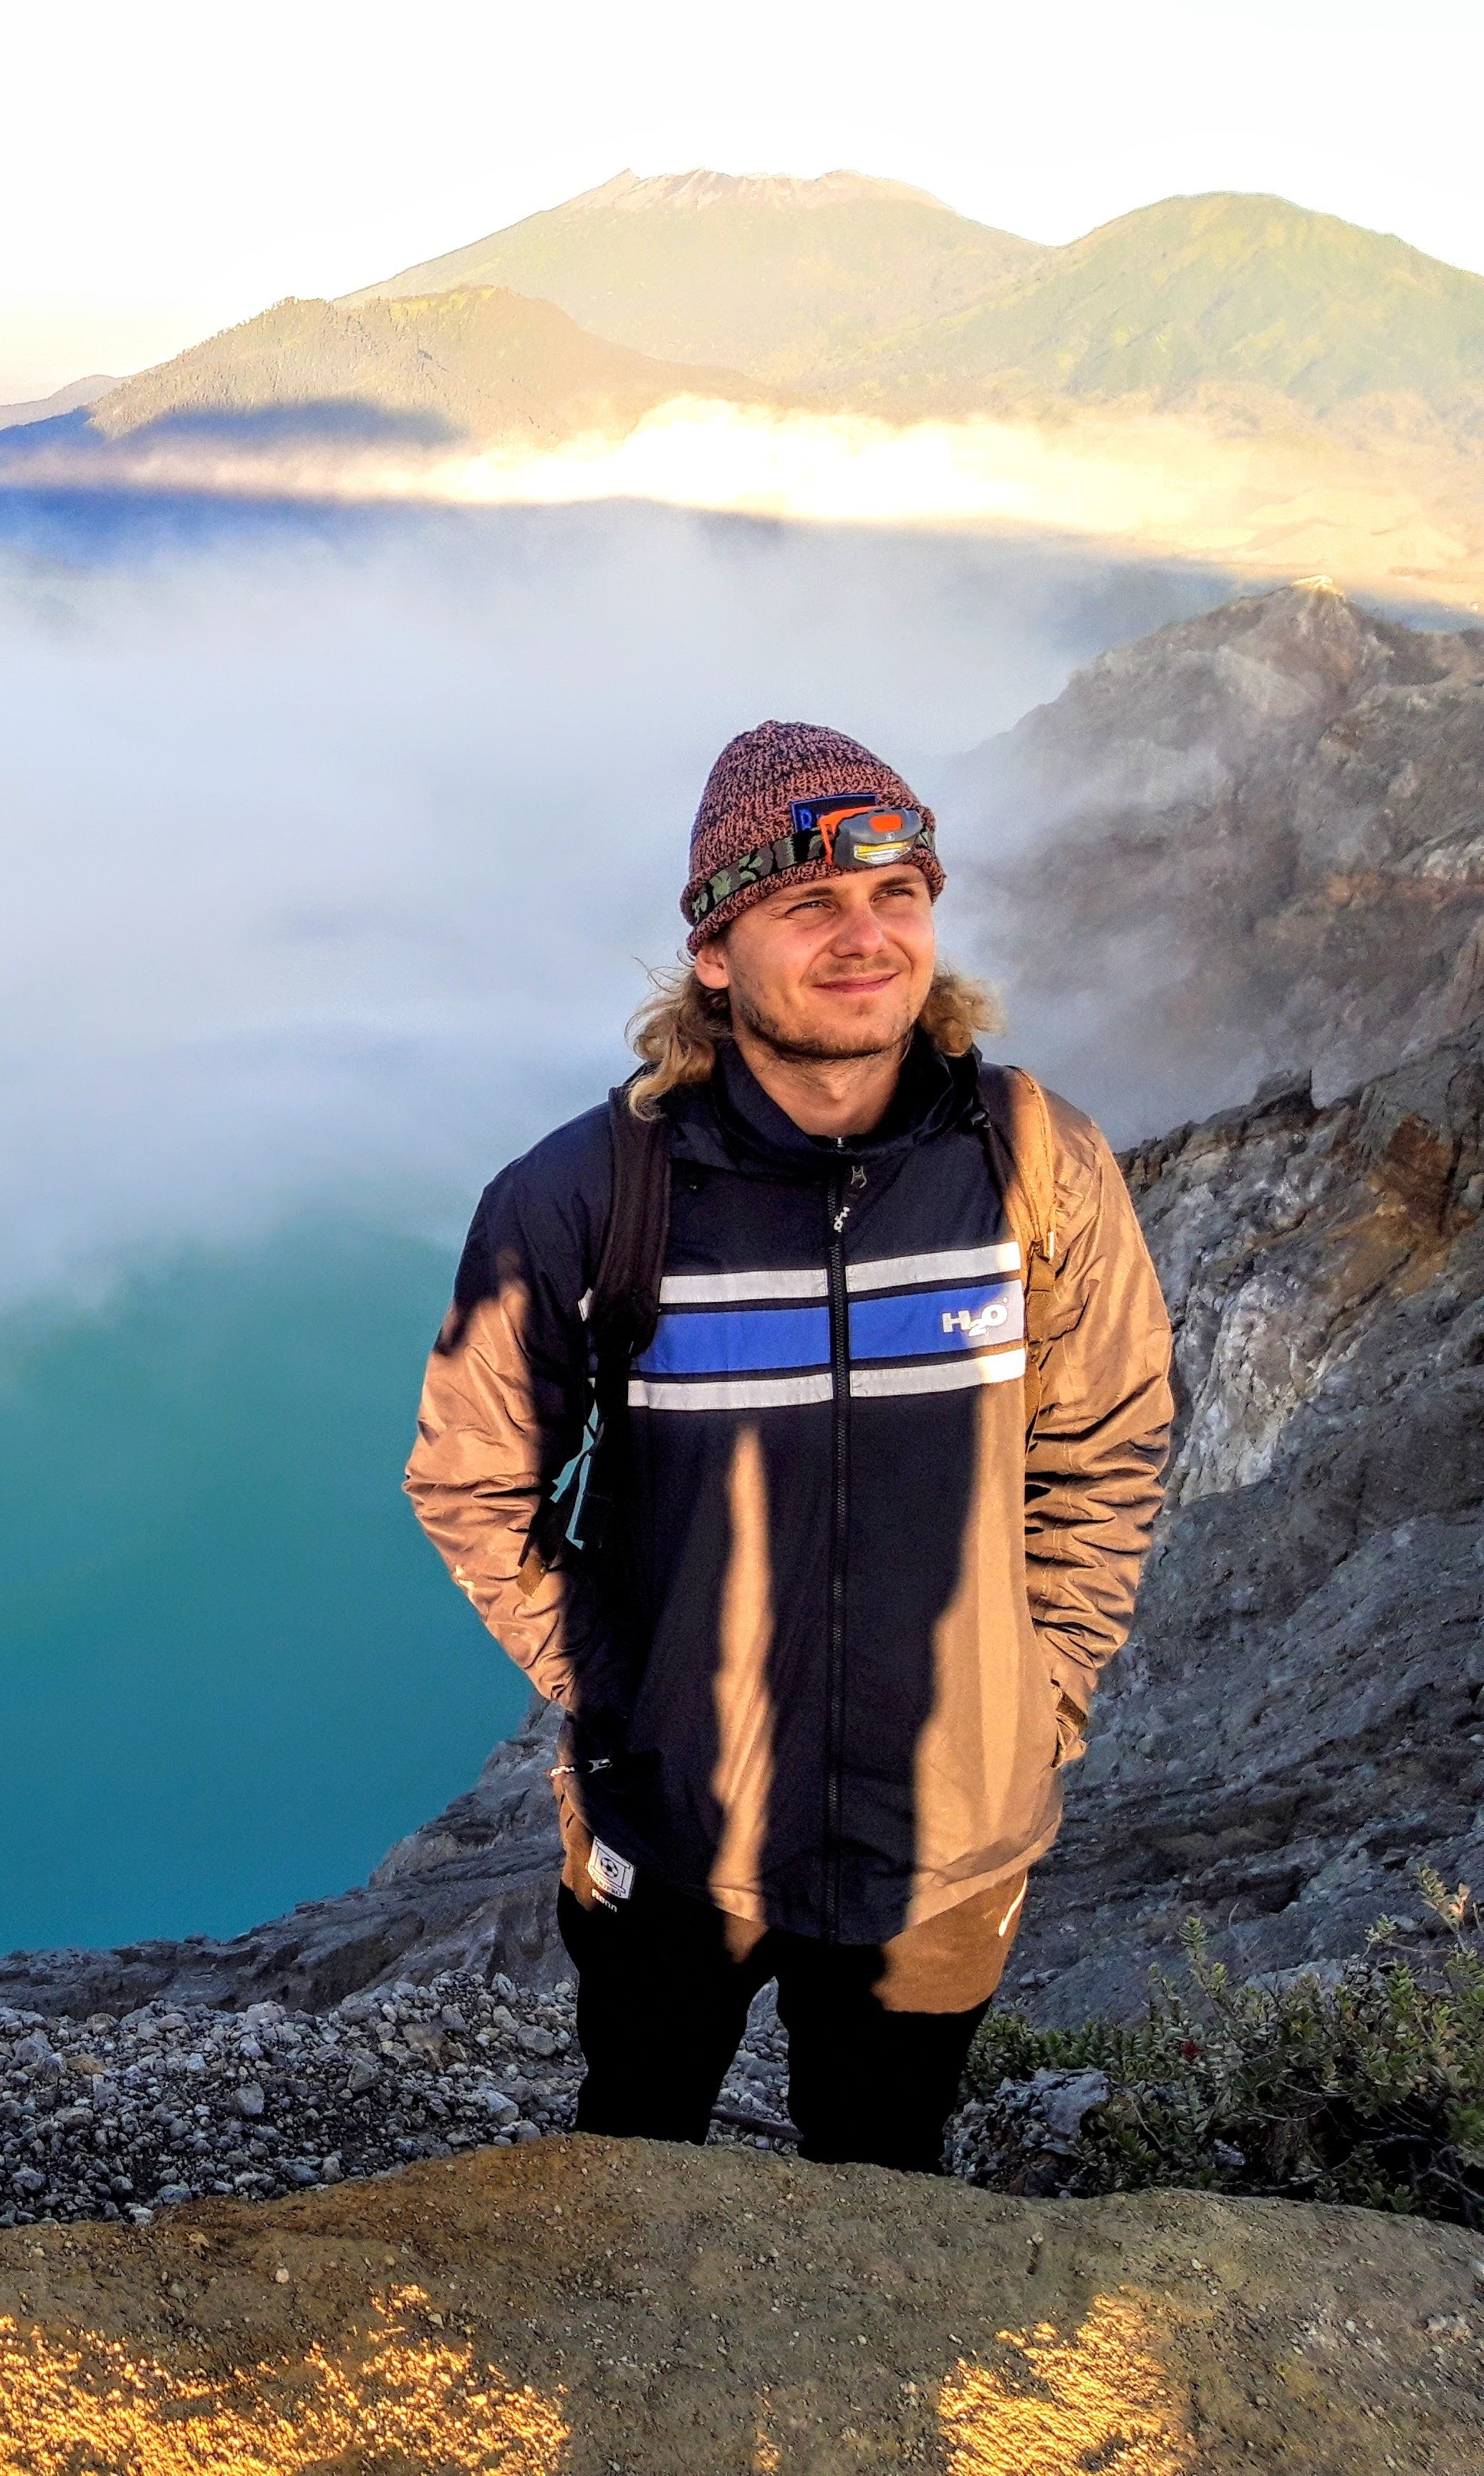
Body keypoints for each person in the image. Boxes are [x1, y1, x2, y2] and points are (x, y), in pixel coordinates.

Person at [403, 720, 1175, 2171]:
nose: (864, 938)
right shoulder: (589, 1195)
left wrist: (1041, 1697)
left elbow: (1106, 1448)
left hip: (946, 1843)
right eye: (808, 905)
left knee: (887, 2175)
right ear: (714, 952)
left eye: (898, 897)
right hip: (676, 1831)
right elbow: (469, 1474)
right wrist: (623, 1692)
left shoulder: (1035, 1165)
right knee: (637, 2162)